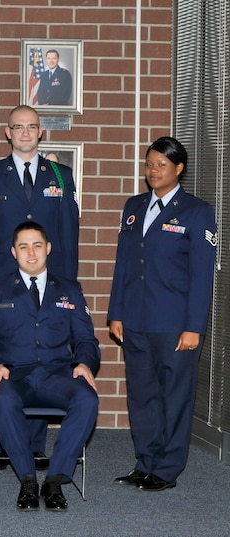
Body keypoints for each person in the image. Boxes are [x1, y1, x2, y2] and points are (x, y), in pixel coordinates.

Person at [108, 137, 216, 492]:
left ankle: (167, 469)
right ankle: (145, 462)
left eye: (161, 165)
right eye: (149, 164)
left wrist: (193, 327)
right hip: (136, 321)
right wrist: (116, 313)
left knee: (174, 397)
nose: (153, 171)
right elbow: (123, 264)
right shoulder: (134, 206)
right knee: (141, 395)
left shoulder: (197, 212)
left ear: (179, 168)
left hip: (174, 325)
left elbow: (203, 276)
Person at [0, 221, 99, 511]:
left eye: (36, 245)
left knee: (87, 398)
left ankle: (55, 479)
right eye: (23, 246)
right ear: (13, 252)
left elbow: (86, 338)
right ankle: (28, 480)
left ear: (48, 248)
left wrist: (84, 363)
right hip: (13, 375)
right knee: (4, 399)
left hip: (56, 376)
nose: (31, 253)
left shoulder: (69, 289)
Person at [0, 105, 79, 294]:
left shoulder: (61, 175)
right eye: (18, 127)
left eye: (32, 127)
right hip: (0, 279)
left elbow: (69, 235)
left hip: (51, 279)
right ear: (8, 132)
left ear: (40, 131)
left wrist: (69, 287)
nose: (25, 133)